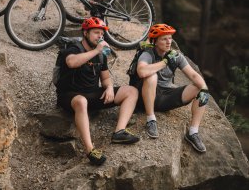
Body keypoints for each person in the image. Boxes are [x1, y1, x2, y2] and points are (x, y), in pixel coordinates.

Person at [56, 17, 140, 166]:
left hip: (93, 94)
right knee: (81, 101)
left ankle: (119, 132)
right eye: (96, 33)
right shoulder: (73, 49)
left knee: (131, 91)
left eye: (101, 34)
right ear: (85, 33)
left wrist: (108, 88)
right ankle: (90, 150)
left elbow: (106, 78)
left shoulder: (101, 55)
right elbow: (72, 62)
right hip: (70, 96)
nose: (100, 36)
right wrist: (96, 50)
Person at [136, 23, 210, 152]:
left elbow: (193, 74)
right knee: (151, 76)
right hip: (147, 98)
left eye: (170, 38)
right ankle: (150, 120)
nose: (169, 42)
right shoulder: (147, 54)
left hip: (166, 97)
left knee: (199, 88)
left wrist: (204, 89)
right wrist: (164, 62)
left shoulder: (175, 56)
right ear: (155, 41)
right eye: (164, 39)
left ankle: (193, 132)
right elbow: (142, 71)